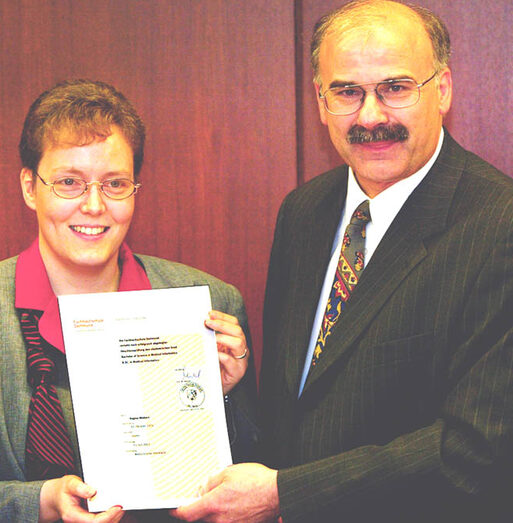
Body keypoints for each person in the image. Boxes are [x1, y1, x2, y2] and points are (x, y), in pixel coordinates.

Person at [172, 1, 513, 522]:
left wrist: (286, 493)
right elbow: (310, 413)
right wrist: (240, 389)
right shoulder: (304, 211)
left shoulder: (499, 226)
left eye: (396, 88)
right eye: (347, 92)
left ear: (442, 89)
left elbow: (477, 451)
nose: (371, 116)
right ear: (319, 99)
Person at [0, 79, 259, 522]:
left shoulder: (209, 304)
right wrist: (40, 503)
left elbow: (255, 482)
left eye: (115, 183)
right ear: (29, 187)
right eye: (69, 183)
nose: (95, 205)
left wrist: (224, 396)